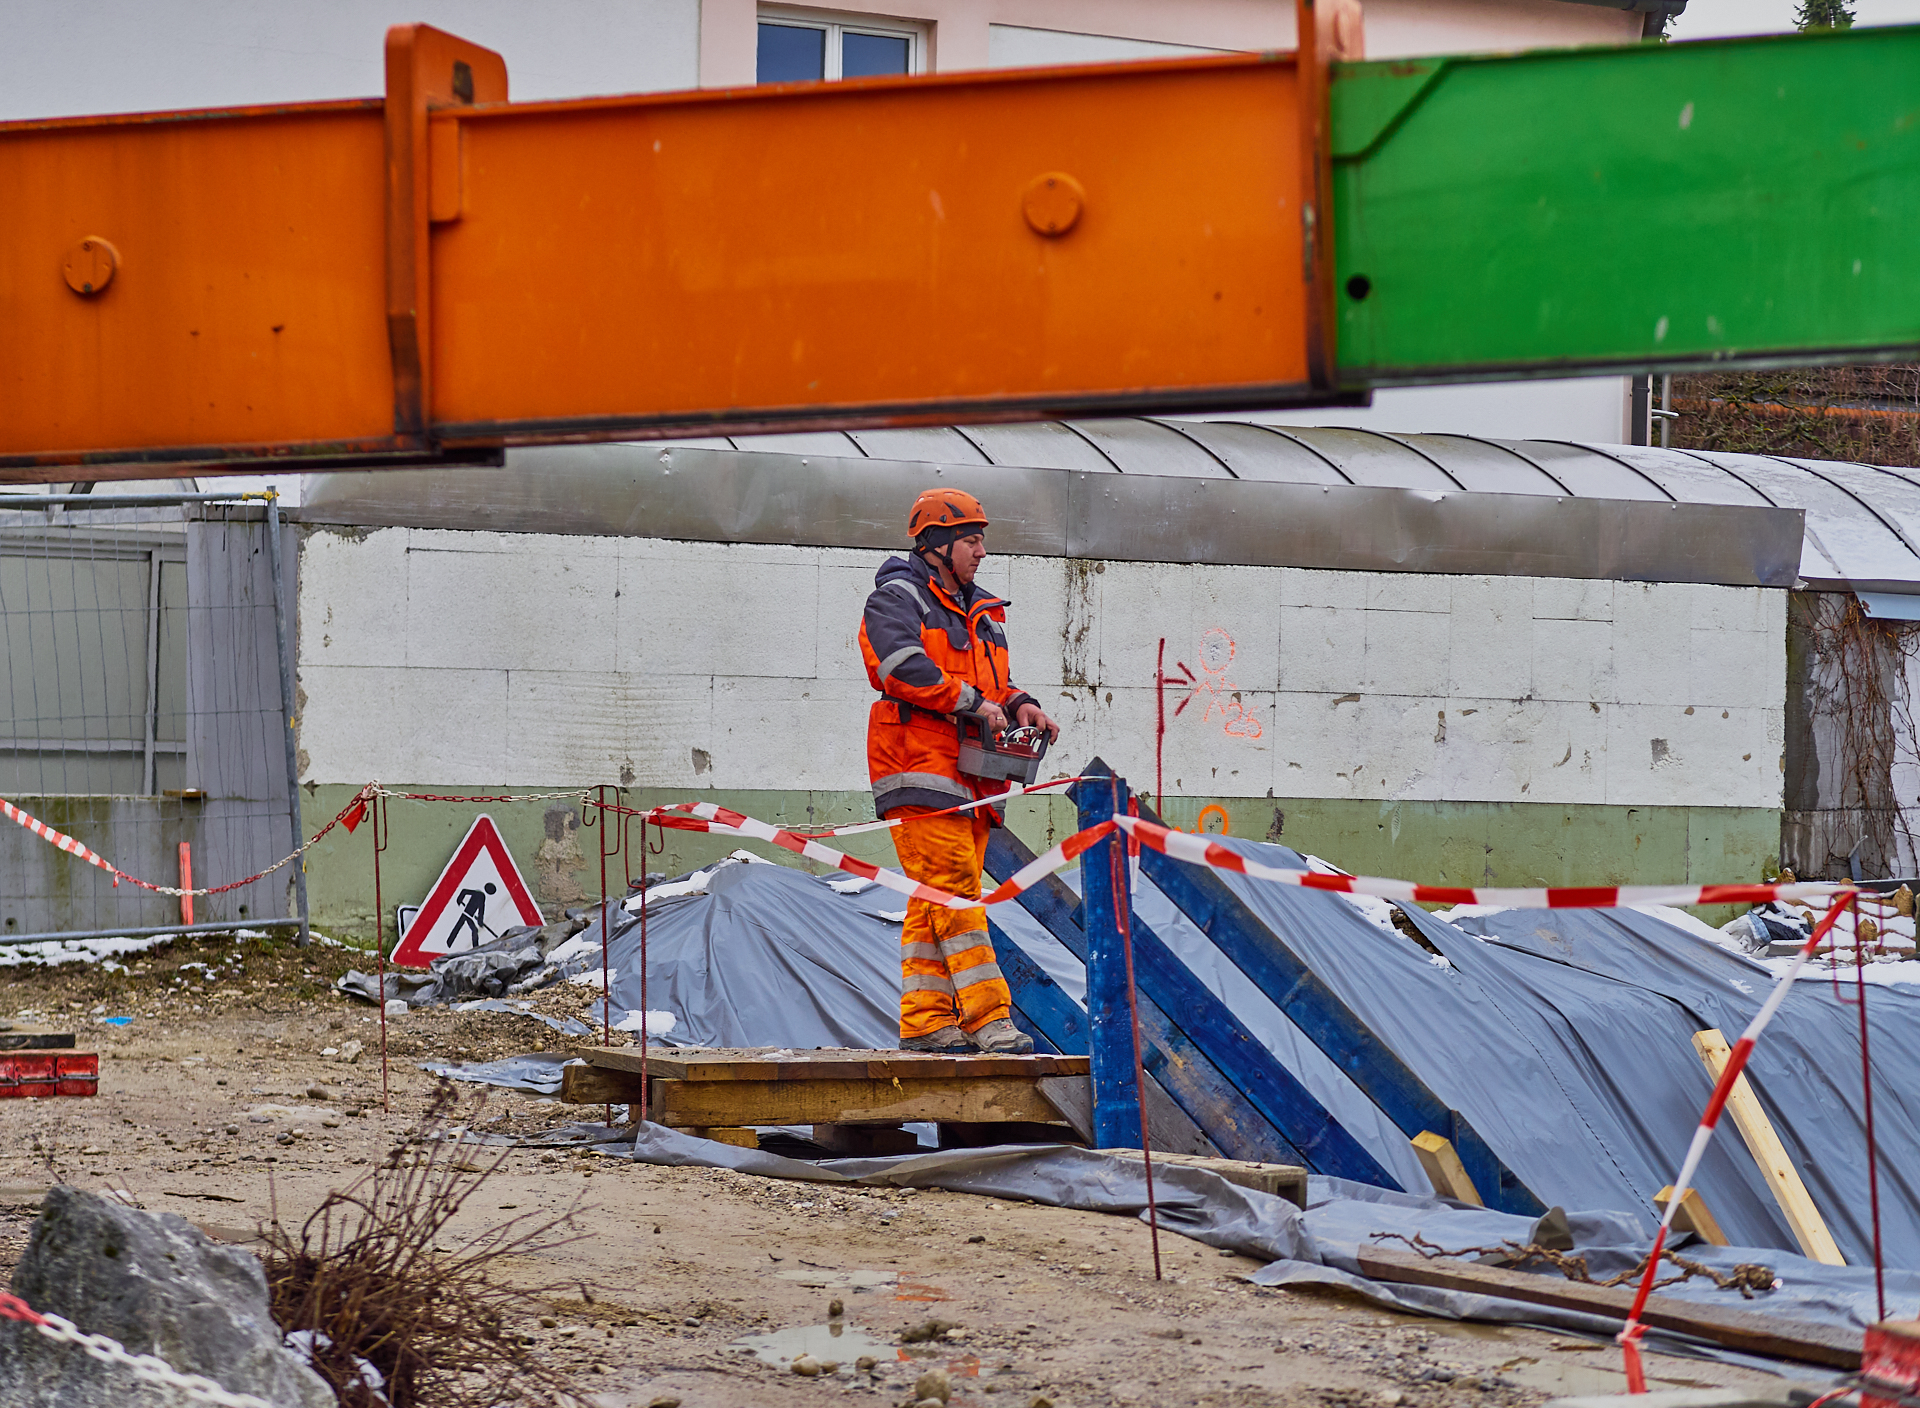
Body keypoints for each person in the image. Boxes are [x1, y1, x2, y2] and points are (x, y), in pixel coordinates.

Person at [859, 489, 1060, 1055]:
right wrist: (971, 701)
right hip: (917, 768)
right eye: (972, 540)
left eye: (981, 539)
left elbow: (996, 685)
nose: (982, 551)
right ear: (938, 545)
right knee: (955, 894)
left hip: (972, 775)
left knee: (937, 897)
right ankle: (990, 1019)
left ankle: (925, 1023)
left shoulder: (983, 612)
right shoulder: (898, 598)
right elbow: (897, 666)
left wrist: (1021, 703)